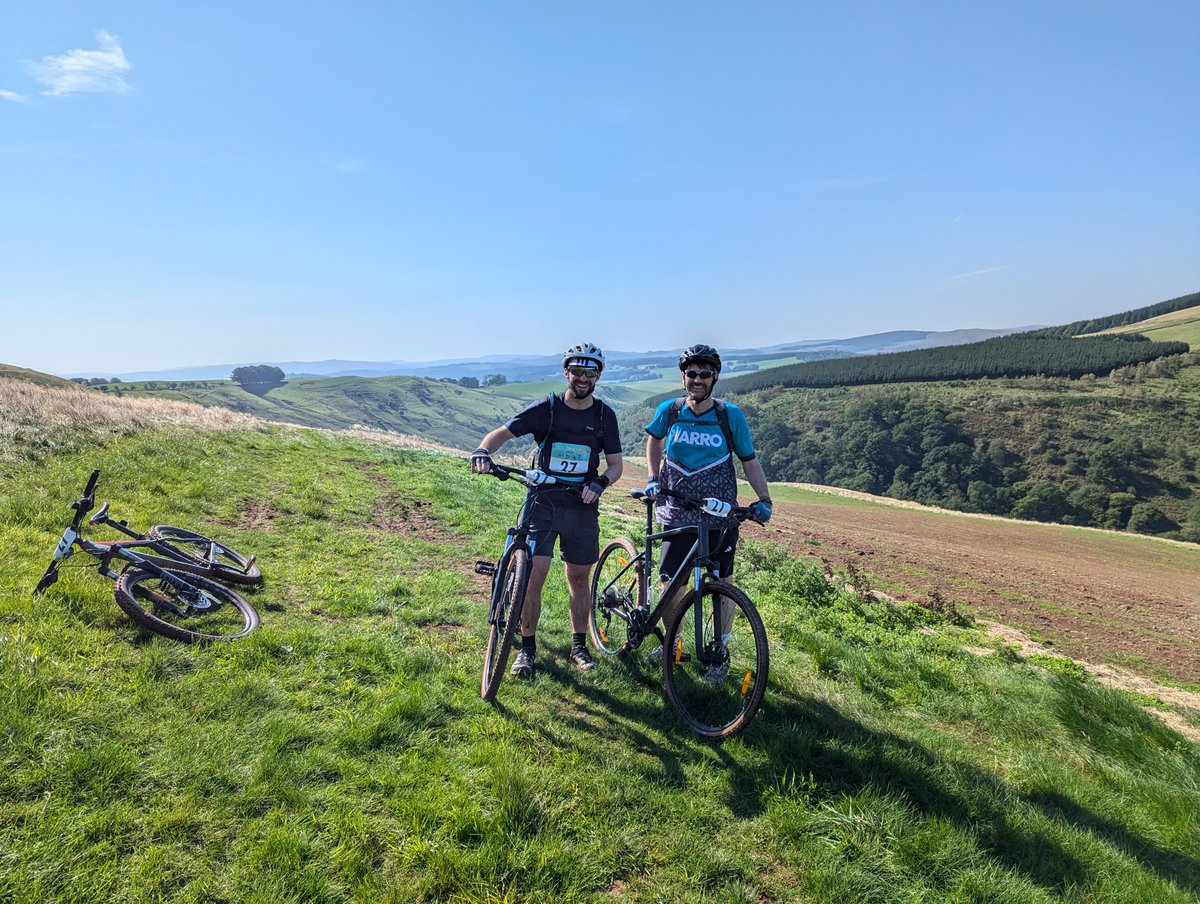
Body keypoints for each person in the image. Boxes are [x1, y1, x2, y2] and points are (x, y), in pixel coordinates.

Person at [470, 342, 623, 678]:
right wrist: (482, 450)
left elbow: (615, 465)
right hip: (543, 501)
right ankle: (527, 649)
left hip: (582, 505)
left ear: (598, 375)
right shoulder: (548, 408)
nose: (583, 378)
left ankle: (579, 646)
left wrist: (600, 484)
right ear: (567, 372)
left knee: (579, 578)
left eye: (590, 372)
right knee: (533, 575)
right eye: (577, 371)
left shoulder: (603, 416)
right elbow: (502, 433)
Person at [642, 344, 772, 667]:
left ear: (714, 377)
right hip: (677, 511)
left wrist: (765, 499)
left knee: (722, 584)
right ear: (683, 376)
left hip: (720, 514)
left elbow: (749, 461)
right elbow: (654, 440)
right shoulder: (669, 411)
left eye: (704, 374)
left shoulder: (730, 417)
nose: (697, 379)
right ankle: (674, 645)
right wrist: (652, 476)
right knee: (671, 586)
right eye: (691, 373)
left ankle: (719, 653)